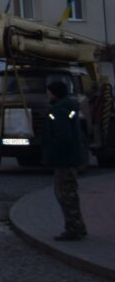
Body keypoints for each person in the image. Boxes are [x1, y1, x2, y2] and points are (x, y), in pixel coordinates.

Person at [44, 79, 88, 241]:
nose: (47, 94)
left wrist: (52, 154)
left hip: (64, 159)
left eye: (49, 91)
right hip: (71, 158)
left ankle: (73, 228)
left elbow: (62, 136)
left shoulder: (59, 111)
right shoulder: (69, 107)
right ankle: (78, 226)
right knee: (70, 192)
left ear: (55, 93)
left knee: (65, 194)